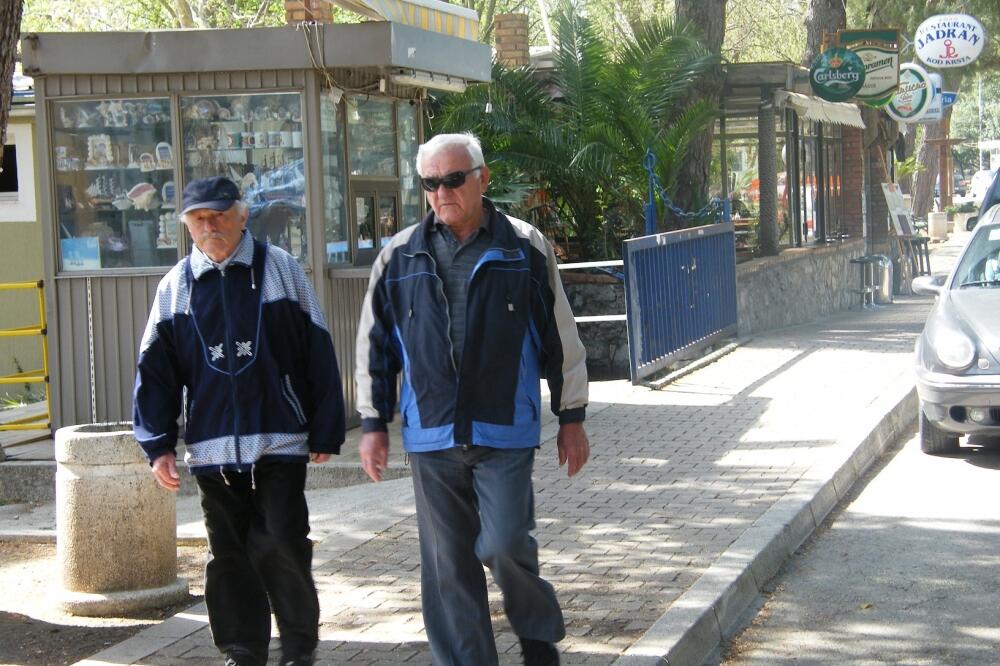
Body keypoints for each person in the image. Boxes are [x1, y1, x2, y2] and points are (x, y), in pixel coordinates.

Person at [355, 133, 590, 666]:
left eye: (454, 180)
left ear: (482, 179)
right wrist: (373, 423)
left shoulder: (524, 247)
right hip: (432, 434)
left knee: (505, 544)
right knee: (448, 568)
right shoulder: (399, 256)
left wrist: (571, 416)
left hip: (503, 430)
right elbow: (374, 344)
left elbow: (560, 337)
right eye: (431, 183)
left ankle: (536, 635)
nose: (443, 192)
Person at [133, 176, 345, 666]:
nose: (210, 227)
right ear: (186, 226)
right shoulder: (176, 288)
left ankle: (297, 647)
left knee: (283, 543)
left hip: (279, 438)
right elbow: (155, 372)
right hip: (211, 449)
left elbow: (317, 349)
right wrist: (158, 444)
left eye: (219, 216)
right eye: (198, 219)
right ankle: (243, 648)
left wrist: (325, 426)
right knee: (228, 554)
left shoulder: (281, 271)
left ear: (242, 215)